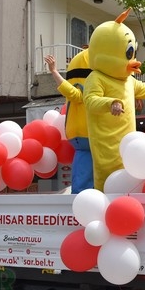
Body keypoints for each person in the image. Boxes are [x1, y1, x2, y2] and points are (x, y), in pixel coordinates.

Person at [83, 8, 145, 191]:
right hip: (106, 144)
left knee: (129, 181)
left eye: (132, 53)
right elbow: (90, 101)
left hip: (128, 146)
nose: (133, 60)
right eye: (128, 53)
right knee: (107, 181)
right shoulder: (96, 78)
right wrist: (110, 103)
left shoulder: (128, 81)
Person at [44, 50, 94, 193]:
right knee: (84, 176)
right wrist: (54, 72)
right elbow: (71, 92)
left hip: (89, 135)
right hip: (88, 134)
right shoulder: (84, 91)